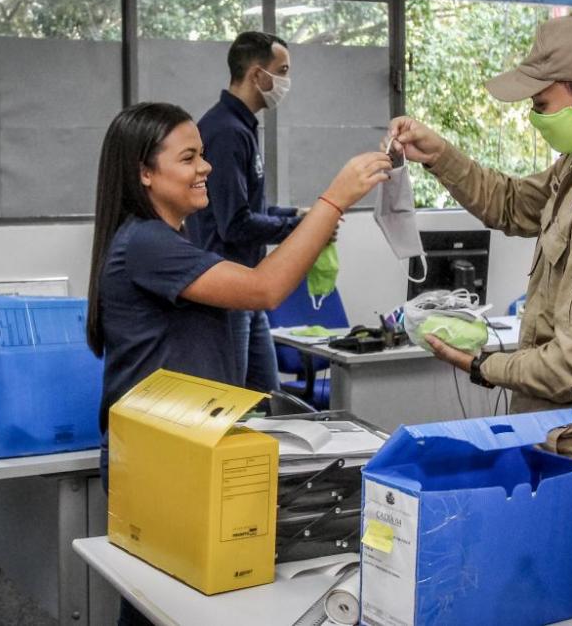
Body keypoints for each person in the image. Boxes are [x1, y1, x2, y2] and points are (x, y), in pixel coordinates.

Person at [86, 102, 389, 625]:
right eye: (188, 158)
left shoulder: (173, 240)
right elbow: (264, 289)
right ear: (145, 172)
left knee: (181, 604)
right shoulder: (146, 243)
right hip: (160, 461)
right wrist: (334, 200)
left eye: (202, 155)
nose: (205, 168)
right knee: (161, 606)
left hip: (186, 450)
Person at [387, 14, 572, 532]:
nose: (533, 116)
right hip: (560, 426)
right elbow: (511, 205)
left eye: (540, 104)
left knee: (569, 593)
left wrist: (483, 364)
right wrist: (439, 156)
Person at [186, 31, 305, 394]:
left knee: (266, 397)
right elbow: (234, 224)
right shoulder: (225, 132)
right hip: (227, 288)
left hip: (246, 287)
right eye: (281, 71)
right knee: (232, 401)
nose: (286, 82)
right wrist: (296, 229)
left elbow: (249, 207)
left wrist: (295, 215)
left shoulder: (242, 128)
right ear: (257, 75)